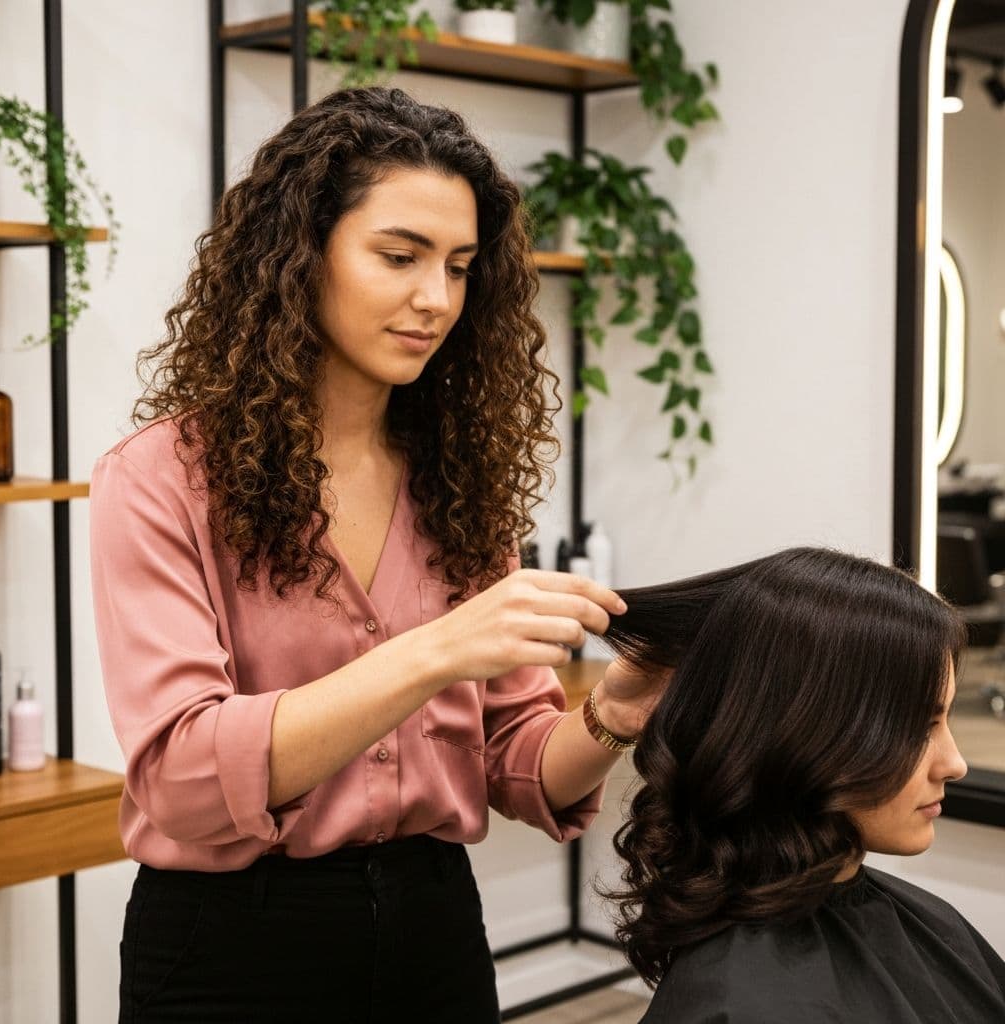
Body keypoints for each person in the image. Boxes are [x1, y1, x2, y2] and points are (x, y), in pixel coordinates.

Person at [89, 85, 666, 1023]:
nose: (434, 299)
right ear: (299, 255)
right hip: (231, 947)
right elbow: (185, 776)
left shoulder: (456, 478)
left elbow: (514, 760)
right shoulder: (160, 480)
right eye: (398, 256)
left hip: (433, 931)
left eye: (461, 266)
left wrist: (611, 716)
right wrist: (438, 649)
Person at [599, 546, 1005, 1023]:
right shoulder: (745, 1000)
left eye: (944, 720)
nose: (954, 764)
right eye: (919, 728)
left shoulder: (921, 920)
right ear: (808, 736)